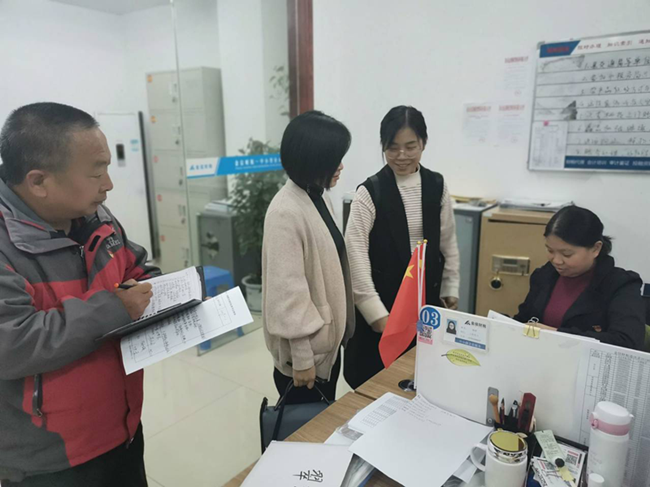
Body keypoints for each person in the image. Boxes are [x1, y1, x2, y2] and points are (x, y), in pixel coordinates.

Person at [0, 103, 159, 486]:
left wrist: (158, 288)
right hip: (50, 460)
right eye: (96, 172)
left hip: (121, 427)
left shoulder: (95, 216)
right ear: (39, 182)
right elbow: (12, 343)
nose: (109, 184)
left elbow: (134, 266)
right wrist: (115, 308)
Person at [344, 105, 460, 389]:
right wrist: (377, 315)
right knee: (376, 384)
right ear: (383, 146)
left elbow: (448, 242)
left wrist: (450, 287)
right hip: (383, 307)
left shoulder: (436, 185)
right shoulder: (369, 192)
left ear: (424, 143)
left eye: (411, 146)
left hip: (424, 303)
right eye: (392, 148)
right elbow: (355, 256)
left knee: (421, 380)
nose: (402, 156)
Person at [263, 110, 355, 404]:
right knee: (305, 426)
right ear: (313, 161)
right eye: (334, 159)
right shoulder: (285, 212)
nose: (341, 166)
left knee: (322, 418)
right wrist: (302, 358)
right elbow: (287, 295)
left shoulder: (317, 195)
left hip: (324, 348)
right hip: (305, 361)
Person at [514, 205, 645, 350]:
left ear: (596, 249)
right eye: (550, 250)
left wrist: (554, 334)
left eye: (567, 254)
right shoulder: (545, 275)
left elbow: (627, 341)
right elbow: (523, 321)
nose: (556, 260)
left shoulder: (620, 285)